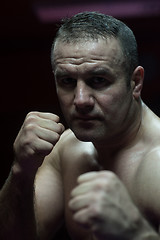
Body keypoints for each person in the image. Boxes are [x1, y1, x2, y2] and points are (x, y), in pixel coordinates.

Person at [0, 11, 160, 240]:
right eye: (67, 81)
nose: (80, 99)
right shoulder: (66, 149)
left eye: (98, 80)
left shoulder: (157, 163)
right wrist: (21, 171)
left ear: (135, 82)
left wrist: (135, 231)